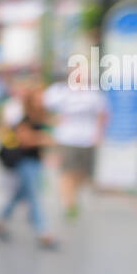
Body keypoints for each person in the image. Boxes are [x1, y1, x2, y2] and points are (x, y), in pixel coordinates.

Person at [0, 80, 58, 250]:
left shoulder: (40, 116)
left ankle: (0, 220)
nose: (42, 99)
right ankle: (43, 232)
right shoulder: (24, 117)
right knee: (35, 197)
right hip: (25, 161)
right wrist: (44, 139)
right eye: (39, 97)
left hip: (34, 161)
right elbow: (24, 139)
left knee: (19, 195)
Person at [43, 76, 107, 219]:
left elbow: (103, 114)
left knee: (83, 174)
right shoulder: (61, 92)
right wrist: (52, 122)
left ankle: (72, 194)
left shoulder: (94, 95)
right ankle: (68, 204)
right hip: (66, 139)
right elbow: (43, 109)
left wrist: (99, 134)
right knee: (66, 172)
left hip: (87, 140)